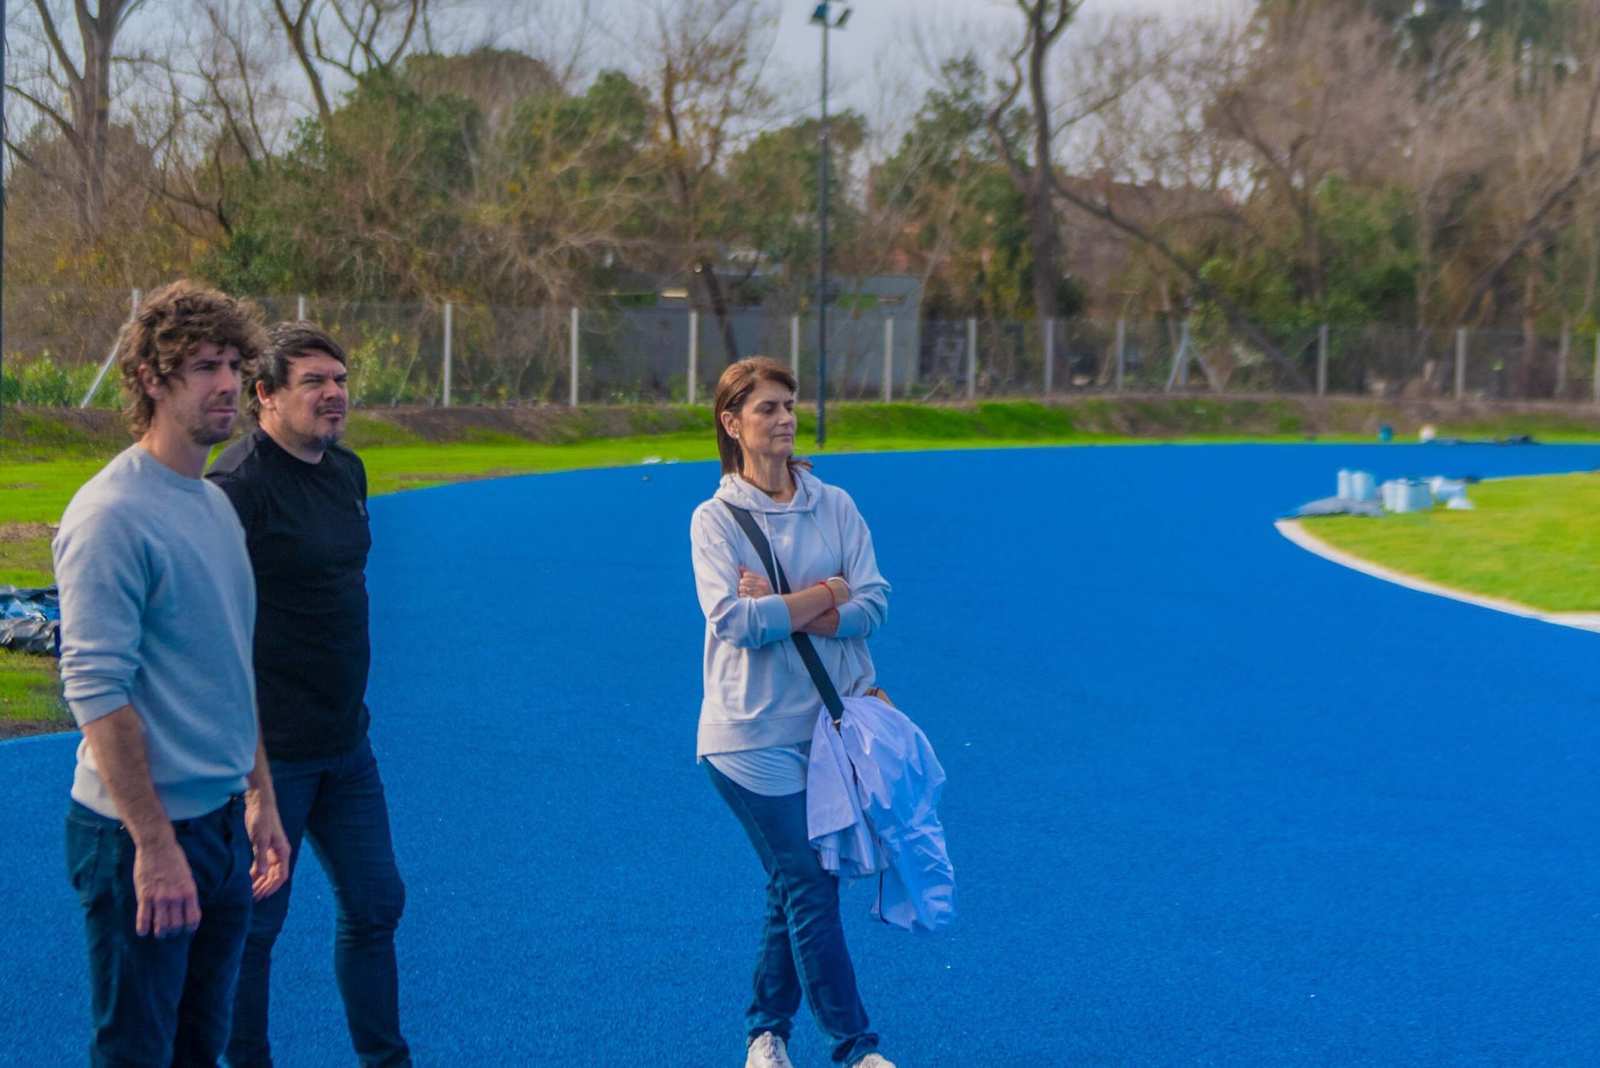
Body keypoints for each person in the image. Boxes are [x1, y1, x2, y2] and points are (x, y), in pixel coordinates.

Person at [54, 280, 291, 1066]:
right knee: (135, 1053)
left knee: (201, 1048)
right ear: (151, 380)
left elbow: (229, 664)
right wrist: (154, 845)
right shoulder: (110, 514)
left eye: (232, 363)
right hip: (139, 837)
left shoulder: (213, 504)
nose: (226, 383)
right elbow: (95, 691)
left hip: (223, 825)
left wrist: (257, 793)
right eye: (201, 367)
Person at [207, 321, 411, 1068]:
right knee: (254, 926)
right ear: (264, 395)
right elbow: (214, 637)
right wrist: (253, 780)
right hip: (271, 757)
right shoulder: (237, 489)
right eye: (314, 382)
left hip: (346, 745)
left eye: (341, 379)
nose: (335, 394)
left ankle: (387, 1061)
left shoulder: (346, 470)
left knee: (377, 903)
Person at [688, 356, 896, 1068]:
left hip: (827, 732)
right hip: (748, 739)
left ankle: (764, 1032)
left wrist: (794, 604)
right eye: (767, 408)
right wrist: (826, 591)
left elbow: (874, 603)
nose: (783, 419)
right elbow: (734, 622)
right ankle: (856, 1048)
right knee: (810, 879)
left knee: (793, 880)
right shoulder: (714, 520)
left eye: (788, 405)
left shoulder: (836, 505)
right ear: (731, 424)